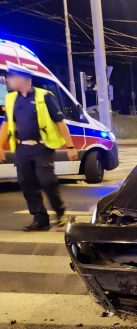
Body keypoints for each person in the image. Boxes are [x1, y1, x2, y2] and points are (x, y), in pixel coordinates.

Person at [0, 62, 77, 231]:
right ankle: (40, 218)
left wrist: (70, 147)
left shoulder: (44, 96)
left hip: (42, 147)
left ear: (24, 78)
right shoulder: (11, 98)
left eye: (11, 77)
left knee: (47, 181)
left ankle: (60, 211)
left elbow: (60, 122)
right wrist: (0, 147)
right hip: (22, 148)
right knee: (26, 182)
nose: (8, 80)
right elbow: (6, 124)